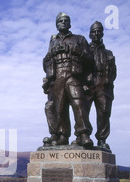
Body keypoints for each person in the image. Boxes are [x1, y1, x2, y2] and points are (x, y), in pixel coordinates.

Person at [43, 13, 94, 148]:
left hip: (73, 76)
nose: (63, 22)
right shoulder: (53, 42)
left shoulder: (79, 39)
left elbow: (90, 60)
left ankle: (83, 134)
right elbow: (45, 62)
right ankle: (62, 136)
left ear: (70, 24)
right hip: (57, 77)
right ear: (57, 24)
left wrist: (79, 52)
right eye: (60, 21)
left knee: (78, 103)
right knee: (59, 108)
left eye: (66, 21)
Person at [87, 21, 117, 150]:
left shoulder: (108, 53)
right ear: (90, 34)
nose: (96, 33)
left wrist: (107, 82)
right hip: (88, 84)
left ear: (102, 34)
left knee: (104, 113)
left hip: (103, 85)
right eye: (94, 31)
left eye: (99, 31)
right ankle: (83, 137)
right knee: (82, 112)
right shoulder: (85, 50)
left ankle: (102, 139)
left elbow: (114, 72)